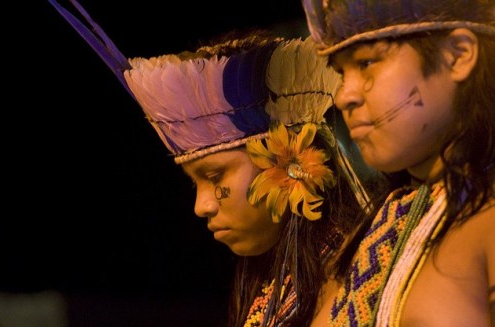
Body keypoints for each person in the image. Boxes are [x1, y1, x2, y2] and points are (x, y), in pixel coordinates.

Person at [48, 1, 374, 326]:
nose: (201, 206)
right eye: (195, 183)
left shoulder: (361, 273)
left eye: (215, 176)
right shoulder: (273, 285)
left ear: (291, 162)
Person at [301, 0, 495, 326]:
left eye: (367, 63)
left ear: (458, 55)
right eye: (340, 72)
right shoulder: (369, 236)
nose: (344, 95)